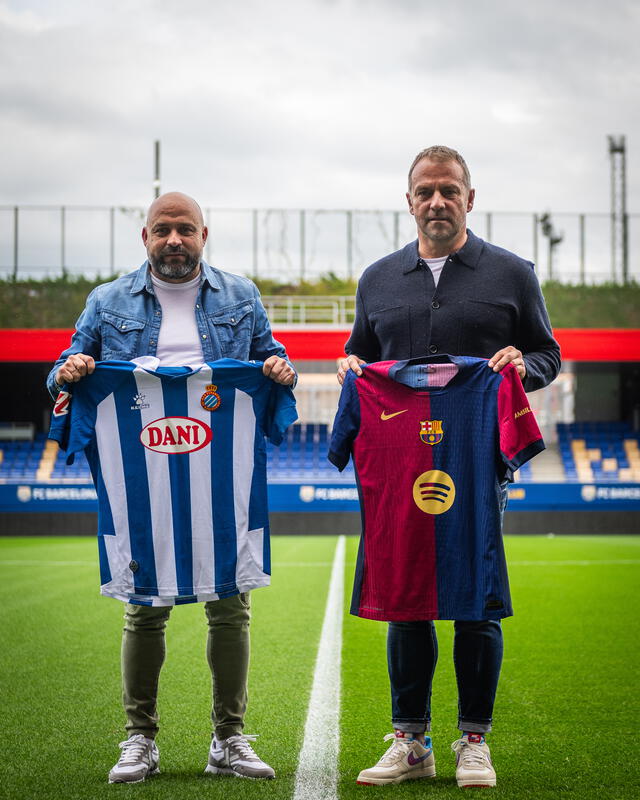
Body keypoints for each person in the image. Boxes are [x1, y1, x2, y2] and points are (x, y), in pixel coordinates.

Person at [47, 192, 296, 784]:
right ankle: (140, 739)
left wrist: (280, 368)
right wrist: (71, 369)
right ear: (146, 237)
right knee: (144, 606)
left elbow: (270, 357)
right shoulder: (106, 302)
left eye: (185, 230)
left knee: (230, 605)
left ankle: (229, 738)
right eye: (163, 230)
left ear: (204, 234)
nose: (174, 240)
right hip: (146, 478)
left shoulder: (241, 296)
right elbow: (61, 370)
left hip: (219, 473)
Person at [337, 146, 561, 789]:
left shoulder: (512, 273)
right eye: (426, 191)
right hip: (399, 463)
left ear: (470, 197)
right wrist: (351, 366)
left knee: (475, 600)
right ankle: (411, 741)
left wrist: (525, 364)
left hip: (475, 461)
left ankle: (473, 740)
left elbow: (549, 354)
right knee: (406, 601)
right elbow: (361, 353)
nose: (438, 201)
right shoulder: (377, 279)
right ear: (408, 201)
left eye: (450, 190)